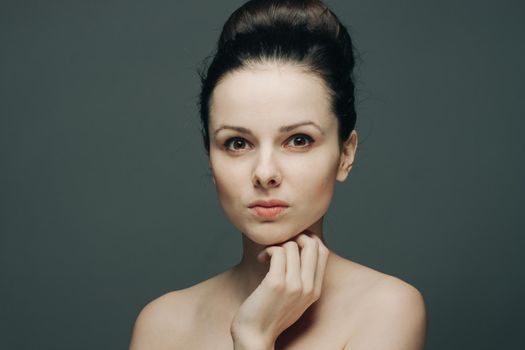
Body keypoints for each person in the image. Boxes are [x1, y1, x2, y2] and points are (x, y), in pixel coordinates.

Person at [129, 0, 427, 349]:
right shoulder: (162, 325)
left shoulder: (386, 309)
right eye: (237, 143)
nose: (265, 173)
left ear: (345, 153)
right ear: (210, 157)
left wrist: (254, 337)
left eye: (299, 140)